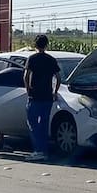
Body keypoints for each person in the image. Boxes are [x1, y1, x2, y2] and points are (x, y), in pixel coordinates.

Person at [23, 34, 60, 162]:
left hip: (34, 96)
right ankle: (44, 151)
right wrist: (55, 91)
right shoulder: (51, 59)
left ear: (35, 45)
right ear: (46, 45)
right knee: (43, 124)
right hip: (47, 96)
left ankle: (37, 150)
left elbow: (26, 76)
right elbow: (58, 78)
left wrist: (28, 90)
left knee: (32, 124)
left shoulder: (32, 59)